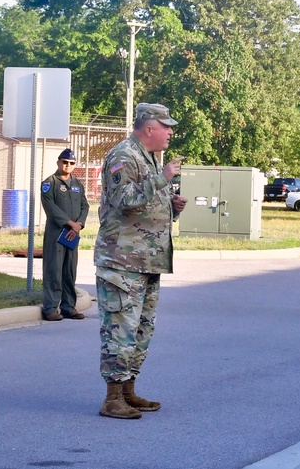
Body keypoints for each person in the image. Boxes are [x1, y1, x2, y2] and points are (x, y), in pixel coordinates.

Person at [94, 103, 187, 419]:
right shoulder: (123, 156)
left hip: (147, 262)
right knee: (120, 328)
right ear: (150, 128)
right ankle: (112, 398)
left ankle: (128, 390)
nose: (171, 132)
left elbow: (145, 209)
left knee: (141, 329)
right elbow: (123, 201)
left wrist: (172, 206)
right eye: (167, 126)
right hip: (122, 262)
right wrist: (162, 179)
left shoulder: (147, 158)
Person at [40, 148, 90, 321]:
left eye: (72, 163)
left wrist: (79, 225)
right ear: (58, 162)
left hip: (72, 235)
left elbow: (85, 206)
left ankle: (68, 307)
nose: (68, 165)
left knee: (69, 270)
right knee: (54, 270)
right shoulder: (50, 183)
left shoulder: (77, 184)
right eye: (65, 162)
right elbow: (51, 208)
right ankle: (50, 308)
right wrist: (70, 223)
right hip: (57, 234)